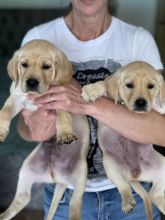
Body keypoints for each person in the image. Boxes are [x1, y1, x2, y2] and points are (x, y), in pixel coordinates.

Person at [17, 0, 165, 219]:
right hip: (66, 195)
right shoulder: (39, 37)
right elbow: (25, 127)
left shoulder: (138, 40)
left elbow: (161, 132)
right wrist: (33, 128)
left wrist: (87, 103)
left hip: (133, 190)